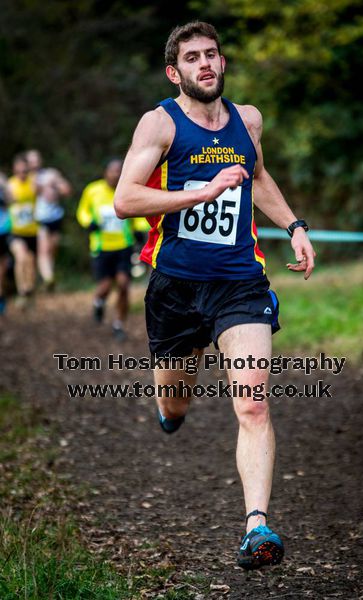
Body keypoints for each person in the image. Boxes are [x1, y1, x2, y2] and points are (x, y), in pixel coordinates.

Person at [114, 22, 316, 570]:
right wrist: (200, 191)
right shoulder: (160, 123)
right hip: (175, 288)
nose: (204, 64)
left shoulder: (247, 120)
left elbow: (259, 176)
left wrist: (294, 225)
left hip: (239, 283)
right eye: (192, 57)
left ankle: (257, 526)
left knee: (252, 402)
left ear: (222, 63)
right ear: (173, 71)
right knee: (175, 398)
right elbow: (125, 199)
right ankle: (170, 411)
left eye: (211, 54)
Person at [77, 159, 135, 341]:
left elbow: (139, 212)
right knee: (104, 287)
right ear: (105, 172)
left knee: (124, 284)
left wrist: (141, 229)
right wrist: (89, 223)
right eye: (113, 171)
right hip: (101, 247)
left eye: (119, 171)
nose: (116, 174)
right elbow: (82, 211)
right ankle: (98, 302)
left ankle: (119, 325)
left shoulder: (128, 189)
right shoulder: (92, 190)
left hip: (124, 246)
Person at [26, 149, 72, 291]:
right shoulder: (24, 178)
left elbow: (66, 190)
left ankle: (48, 277)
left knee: (52, 250)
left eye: (36, 160)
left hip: (55, 217)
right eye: (31, 161)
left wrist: (54, 187)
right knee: (43, 251)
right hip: (40, 219)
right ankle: (48, 278)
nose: (34, 164)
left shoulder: (51, 174)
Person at [8, 155, 38, 308]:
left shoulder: (34, 183)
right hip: (16, 231)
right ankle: (22, 290)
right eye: (19, 171)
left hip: (32, 231)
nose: (22, 173)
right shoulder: (9, 185)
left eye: (24, 170)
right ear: (14, 170)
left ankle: (29, 290)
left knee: (31, 263)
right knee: (21, 258)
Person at [0, 173, 12, 315]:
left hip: (3, 229)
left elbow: (12, 200)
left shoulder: (2, 180)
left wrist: (4, 186)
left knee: (2, 268)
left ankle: (1, 296)